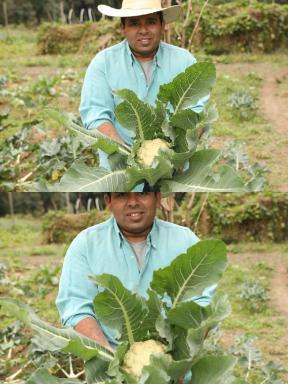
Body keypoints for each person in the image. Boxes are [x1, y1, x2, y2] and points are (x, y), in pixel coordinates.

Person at [55, 192, 215, 351]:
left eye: (143, 193)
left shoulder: (185, 241)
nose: (132, 202)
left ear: (158, 198)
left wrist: (180, 361)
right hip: (107, 366)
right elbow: (76, 306)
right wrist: (109, 360)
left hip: (179, 367)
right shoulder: (86, 244)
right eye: (122, 195)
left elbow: (203, 303)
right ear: (108, 201)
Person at [80, 0, 207, 174]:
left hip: (172, 173)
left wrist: (175, 155)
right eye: (134, 23)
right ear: (123, 28)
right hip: (119, 172)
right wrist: (127, 155)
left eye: (151, 22)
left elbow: (197, 113)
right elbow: (95, 116)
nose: (143, 30)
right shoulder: (103, 63)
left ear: (163, 26)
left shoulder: (184, 61)